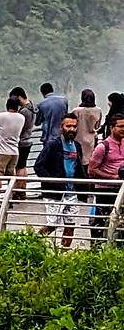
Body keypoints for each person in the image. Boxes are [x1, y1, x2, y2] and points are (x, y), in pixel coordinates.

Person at [35, 111, 82, 243]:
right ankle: (32, 243)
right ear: (61, 127)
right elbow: (39, 166)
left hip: (72, 193)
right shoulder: (53, 144)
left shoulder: (77, 146)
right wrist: (53, 182)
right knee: (52, 224)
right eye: (68, 126)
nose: (72, 129)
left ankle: (64, 255)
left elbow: (78, 168)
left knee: (70, 225)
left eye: (74, 126)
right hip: (55, 193)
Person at [86, 113, 124, 243]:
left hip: (121, 189)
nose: (123, 129)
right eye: (120, 126)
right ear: (112, 127)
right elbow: (91, 170)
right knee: (102, 219)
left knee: (120, 219)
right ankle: (96, 246)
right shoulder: (103, 147)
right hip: (105, 189)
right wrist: (112, 177)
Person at [0, 94, 25, 203]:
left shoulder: (1, 116)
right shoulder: (21, 118)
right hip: (14, 151)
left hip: (1, 151)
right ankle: (8, 200)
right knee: (11, 177)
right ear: (18, 107)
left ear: (7, 105)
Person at [34, 82, 68, 157]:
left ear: (42, 93)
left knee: (48, 158)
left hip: (48, 137)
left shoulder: (41, 104)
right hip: (62, 135)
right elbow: (66, 116)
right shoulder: (64, 101)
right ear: (52, 90)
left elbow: (37, 122)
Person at [73, 91, 102, 166]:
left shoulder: (76, 111)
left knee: (79, 159)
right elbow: (97, 126)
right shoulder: (98, 111)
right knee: (90, 159)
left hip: (78, 138)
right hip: (91, 139)